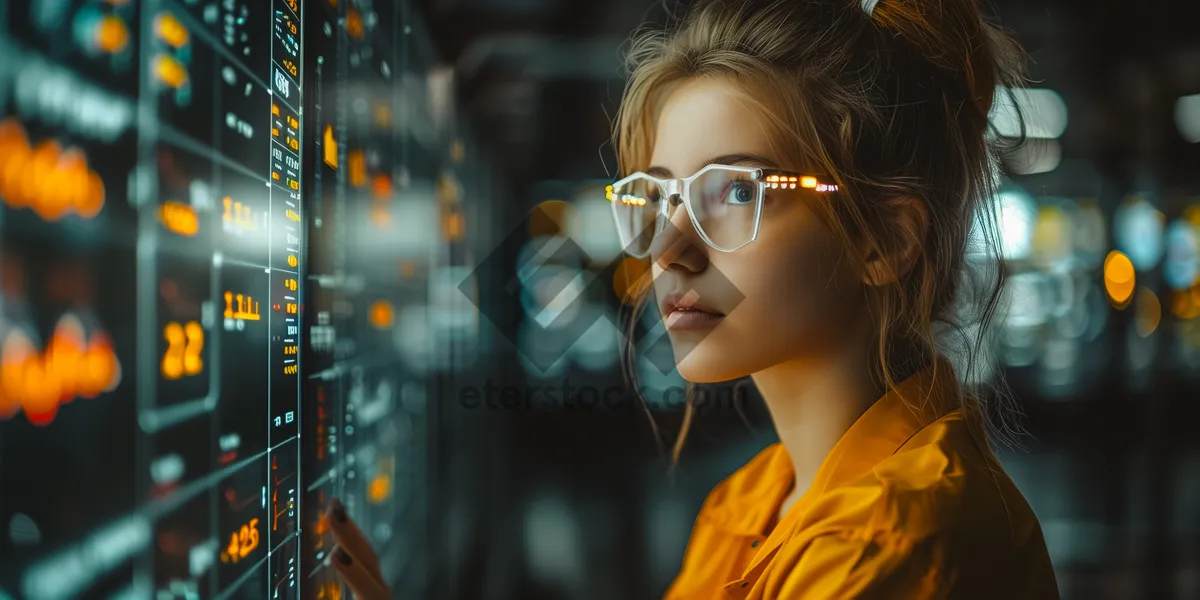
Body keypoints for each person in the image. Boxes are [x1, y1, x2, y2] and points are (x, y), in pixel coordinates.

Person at [325, 0, 1060, 597]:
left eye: (737, 191)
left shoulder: (893, 547)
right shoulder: (754, 502)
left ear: (884, 240)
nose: (667, 248)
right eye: (657, 197)